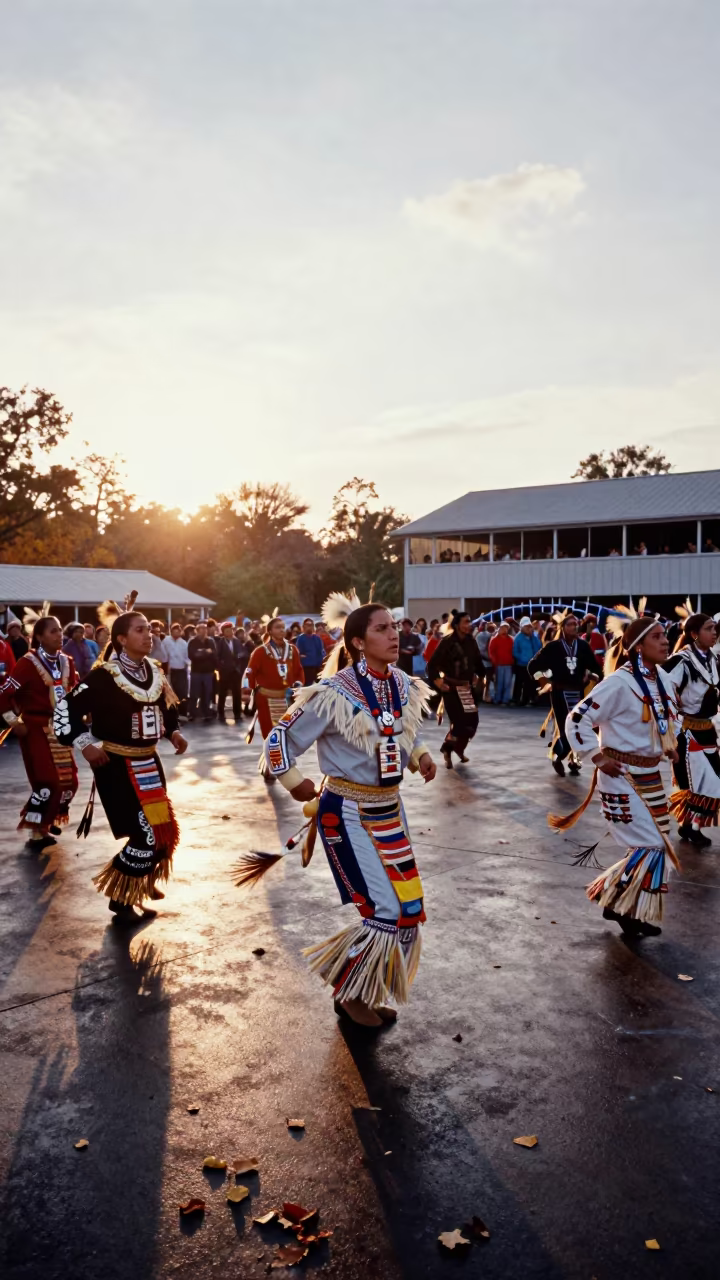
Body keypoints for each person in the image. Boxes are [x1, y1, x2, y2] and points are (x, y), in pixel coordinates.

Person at [262, 591, 435, 1026]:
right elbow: (278, 739)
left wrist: (420, 755)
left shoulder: (400, 683)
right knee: (383, 910)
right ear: (358, 642)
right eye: (382, 629)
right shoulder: (332, 693)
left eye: (394, 627)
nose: (394, 635)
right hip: (348, 811)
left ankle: (366, 987)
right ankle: (348, 992)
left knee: (408, 909)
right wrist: (292, 779)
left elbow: (401, 732)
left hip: (391, 810)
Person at [54, 607, 187, 925]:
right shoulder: (104, 675)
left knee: (161, 830)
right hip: (115, 764)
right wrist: (85, 745)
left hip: (149, 764)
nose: (148, 634)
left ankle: (139, 883)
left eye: (149, 629)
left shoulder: (154, 670)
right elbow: (65, 708)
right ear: (122, 639)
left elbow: (166, 707)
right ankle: (121, 897)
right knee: (147, 835)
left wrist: (173, 730)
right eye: (140, 630)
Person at [556, 615, 680, 937]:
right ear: (638, 646)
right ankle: (616, 901)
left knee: (655, 846)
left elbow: (670, 717)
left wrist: (669, 744)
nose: (665, 641)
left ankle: (625, 907)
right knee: (651, 845)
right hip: (621, 775)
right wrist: (596, 756)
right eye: (656, 637)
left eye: (665, 635)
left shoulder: (662, 679)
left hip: (652, 775)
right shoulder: (618, 683)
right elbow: (577, 718)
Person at [0, 615, 78, 849]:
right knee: (47, 781)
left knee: (70, 782)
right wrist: (14, 721)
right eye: (53, 631)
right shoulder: (28, 662)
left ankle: (49, 818)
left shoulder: (67, 661)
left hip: (61, 729)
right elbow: (4, 693)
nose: (59, 635)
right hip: (35, 728)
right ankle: (36, 829)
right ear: (40, 637)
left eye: (59, 630)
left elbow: (74, 690)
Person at [663, 613, 720, 845]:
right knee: (697, 783)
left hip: (707, 729)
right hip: (686, 731)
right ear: (695, 634)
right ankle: (689, 825)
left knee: (712, 781)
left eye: (716, 629)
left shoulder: (712, 660)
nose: (715, 632)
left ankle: (691, 825)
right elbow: (660, 686)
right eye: (709, 629)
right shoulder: (682, 660)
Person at [528, 614, 603, 776]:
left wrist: (591, 675)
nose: (574, 627)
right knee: (567, 729)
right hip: (559, 693)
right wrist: (544, 681)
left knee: (578, 728)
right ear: (563, 628)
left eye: (576, 624)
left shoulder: (583, 646)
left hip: (578, 692)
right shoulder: (553, 647)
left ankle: (573, 761)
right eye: (569, 625)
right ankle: (558, 757)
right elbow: (533, 666)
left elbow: (597, 669)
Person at [242, 615, 304, 781]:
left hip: (287, 698)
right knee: (270, 735)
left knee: (285, 732)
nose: (282, 630)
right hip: (266, 698)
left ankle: (280, 763)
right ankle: (270, 766)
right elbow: (250, 672)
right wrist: (246, 691)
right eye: (278, 627)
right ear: (269, 631)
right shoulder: (261, 651)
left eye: (283, 627)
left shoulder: (292, 650)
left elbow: (299, 670)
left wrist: (298, 684)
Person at [426, 610, 484, 768]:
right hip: (450, 688)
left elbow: (478, 662)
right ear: (457, 624)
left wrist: (480, 675)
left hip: (466, 689)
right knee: (458, 723)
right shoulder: (447, 642)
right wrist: (438, 683)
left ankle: (457, 748)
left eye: (469, 621)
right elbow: (431, 666)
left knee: (472, 721)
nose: (469, 625)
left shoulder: (471, 641)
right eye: (466, 622)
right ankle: (447, 748)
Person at [216, 620, 247, 722]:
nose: (229, 632)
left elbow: (243, 653)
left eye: (231, 630)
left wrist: (239, 657)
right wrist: (221, 666)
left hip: (235, 671)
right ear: (223, 632)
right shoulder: (220, 642)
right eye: (227, 630)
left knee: (236, 693)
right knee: (222, 693)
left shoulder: (237, 641)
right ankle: (220, 713)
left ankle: (237, 713)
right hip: (224, 671)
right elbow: (217, 656)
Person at [187, 621, 217, 722]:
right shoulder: (192, 641)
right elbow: (193, 655)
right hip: (196, 672)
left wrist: (201, 652)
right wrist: (206, 652)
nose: (204, 630)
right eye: (201, 629)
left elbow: (213, 654)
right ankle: (192, 714)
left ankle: (206, 713)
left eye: (205, 628)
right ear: (197, 630)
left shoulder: (211, 641)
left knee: (207, 693)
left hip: (208, 672)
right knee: (194, 693)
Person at [512, 617, 542, 705]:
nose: (528, 628)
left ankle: (526, 699)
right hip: (521, 664)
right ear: (522, 627)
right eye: (526, 627)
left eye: (529, 626)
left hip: (531, 664)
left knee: (529, 683)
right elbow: (515, 651)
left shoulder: (534, 637)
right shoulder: (518, 637)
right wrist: (522, 658)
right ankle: (516, 699)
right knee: (519, 682)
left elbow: (538, 647)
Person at [164, 622, 190, 714]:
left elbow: (187, 658)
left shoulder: (183, 643)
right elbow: (164, 655)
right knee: (170, 692)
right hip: (170, 670)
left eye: (178, 631)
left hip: (181, 670)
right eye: (174, 631)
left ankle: (182, 713)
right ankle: (171, 714)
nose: (176, 633)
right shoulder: (166, 641)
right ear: (171, 631)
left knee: (182, 692)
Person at [489, 621, 514, 705]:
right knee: (499, 683)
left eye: (506, 628)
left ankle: (505, 700)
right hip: (499, 664)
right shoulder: (495, 639)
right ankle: (497, 699)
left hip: (508, 664)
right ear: (499, 628)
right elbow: (491, 652)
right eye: (503, 628)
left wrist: (512, 660)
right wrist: (494, 661)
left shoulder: (511, 640)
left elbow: (513, 651)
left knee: (507, 683)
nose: (504, 630)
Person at [296, 617, 326, 686]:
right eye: (307, 624)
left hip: (317, 667)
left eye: (311, 625)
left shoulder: (317, 638)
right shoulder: (301, 638)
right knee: (308, 686)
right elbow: (298, 653)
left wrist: (321, 664)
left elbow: (321, 652)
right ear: (304, 626)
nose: (309, 626)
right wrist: (303, 657)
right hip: (306, 668)